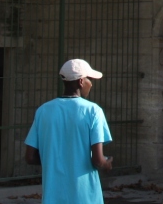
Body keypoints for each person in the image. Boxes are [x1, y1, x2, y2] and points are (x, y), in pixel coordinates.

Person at [25, 59, 113, 204]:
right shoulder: (93, 111)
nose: (91, 84)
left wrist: (55, 161)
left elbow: (30, 157)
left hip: (52, 197)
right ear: (80, 81)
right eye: (89, 79)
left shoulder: (43, 110)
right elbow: (98, 160)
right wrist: (107, 163)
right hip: (85, 197)